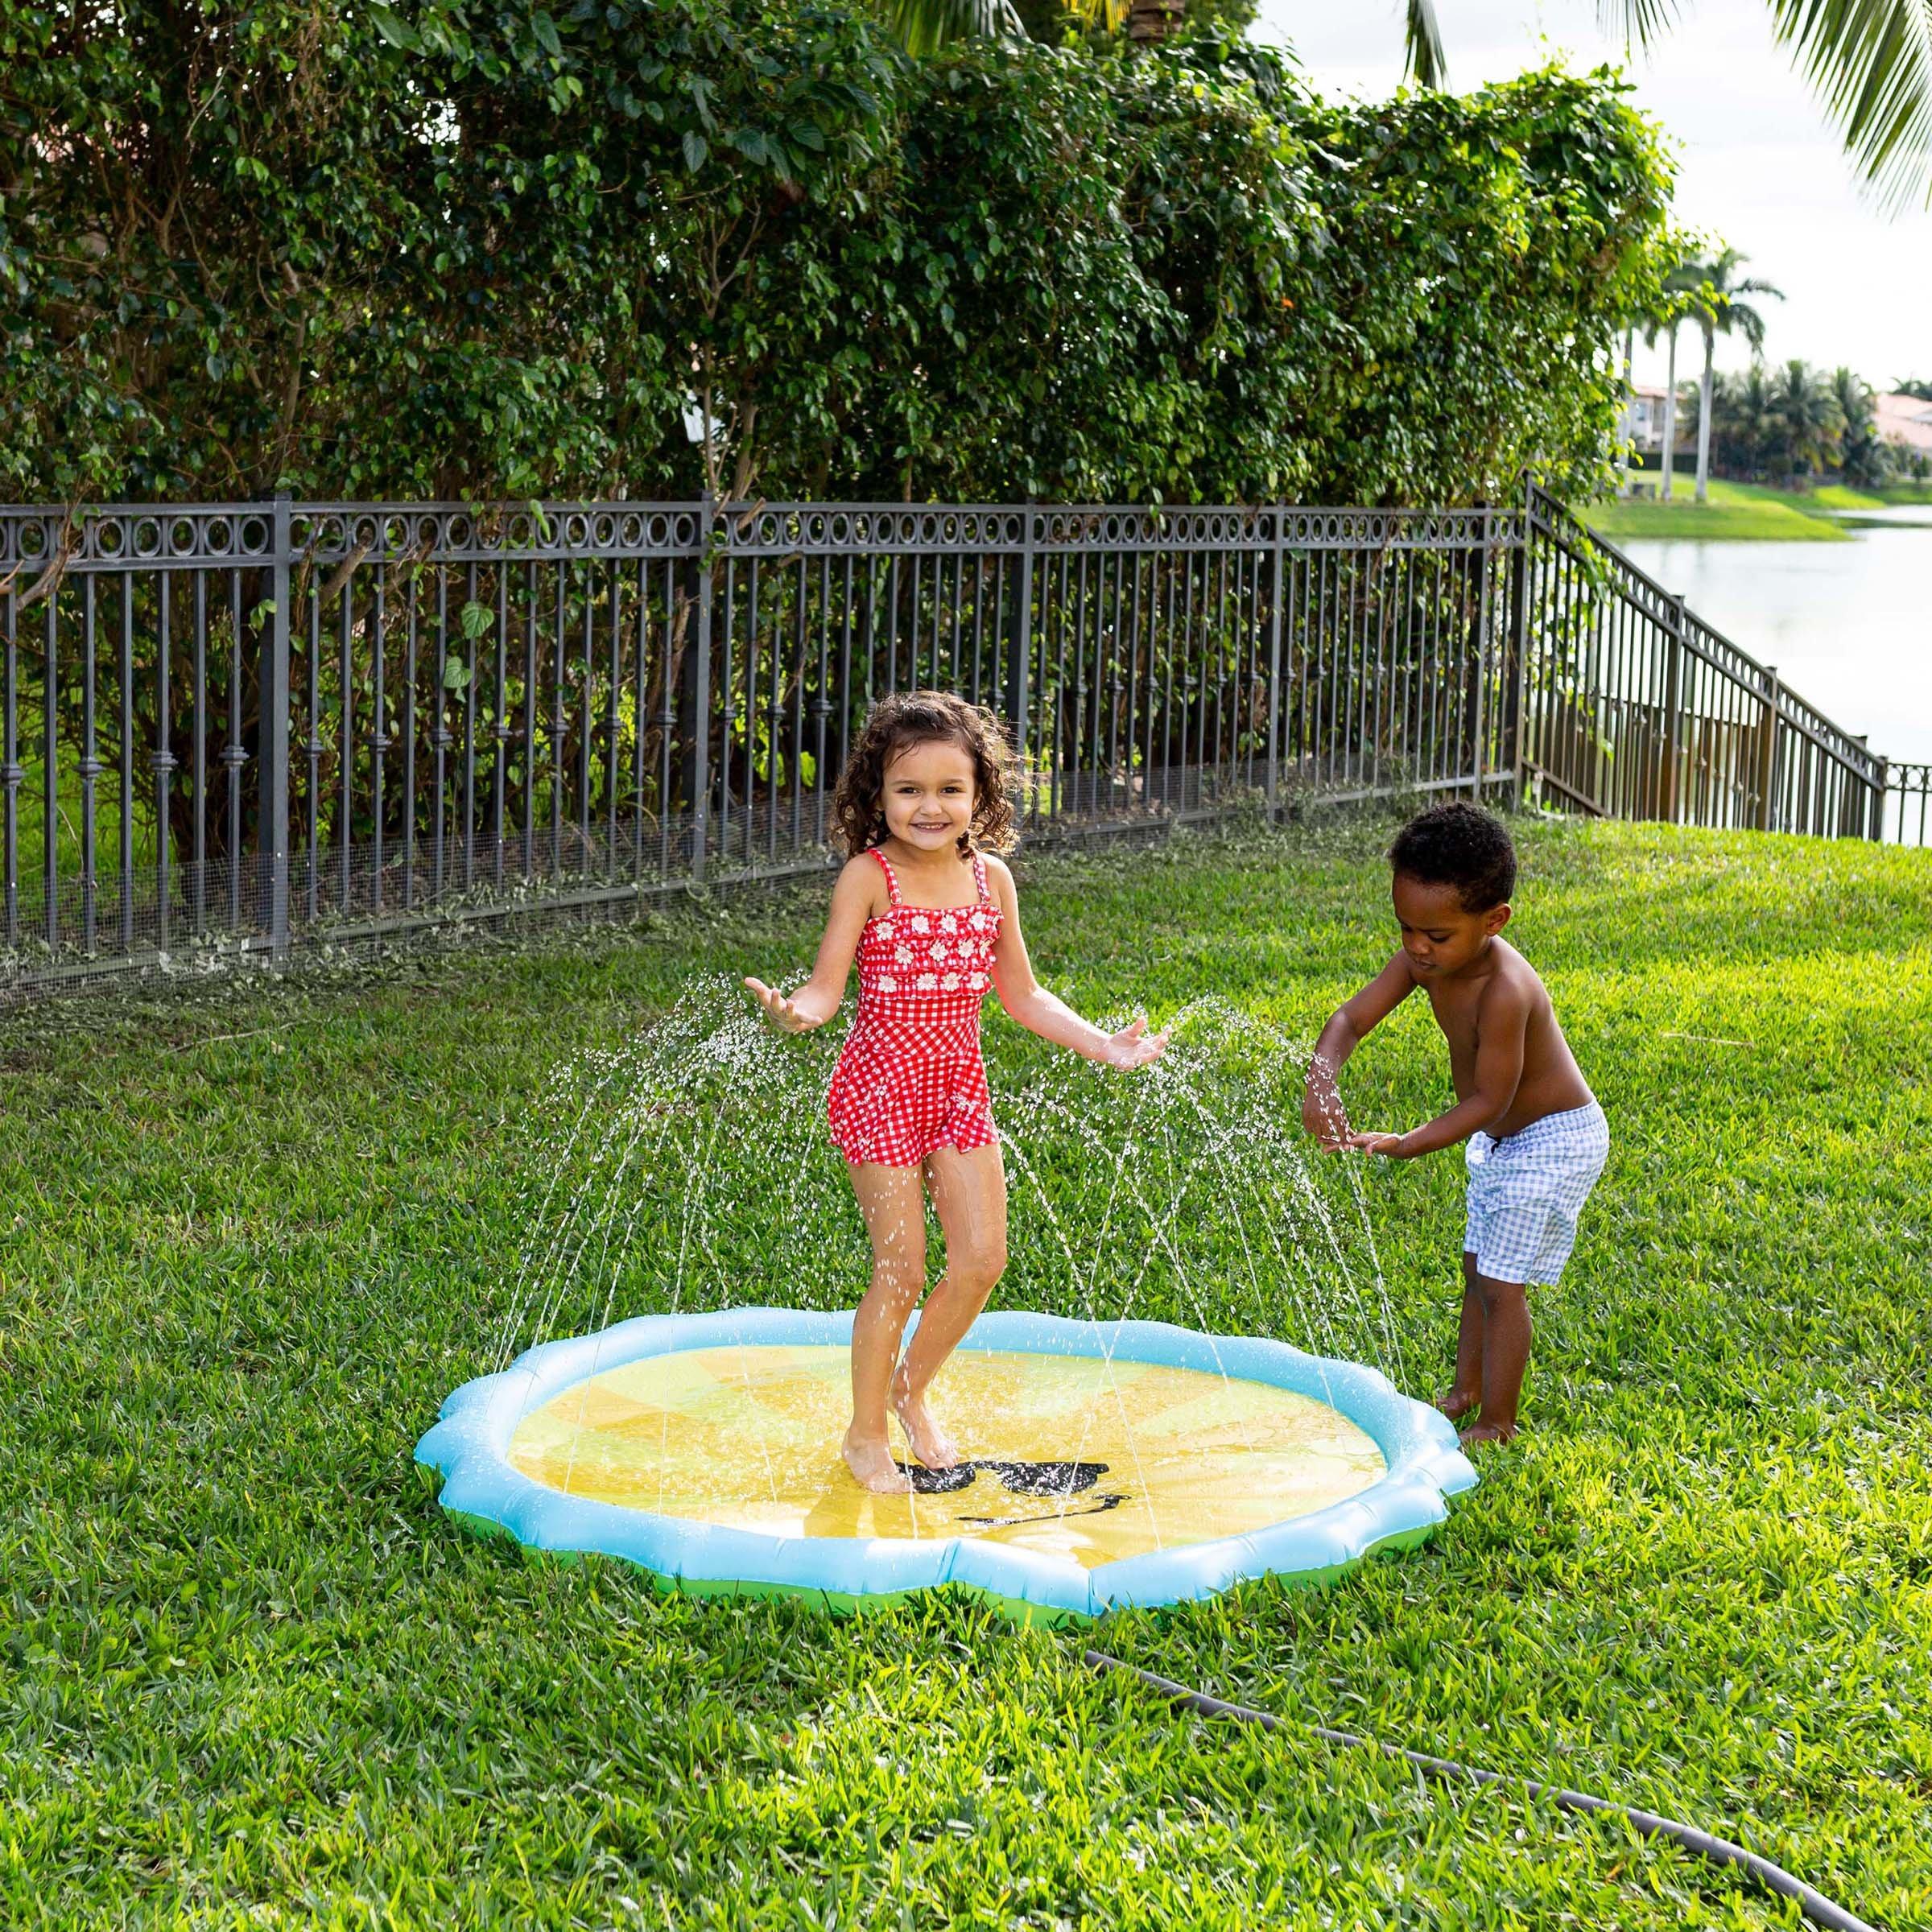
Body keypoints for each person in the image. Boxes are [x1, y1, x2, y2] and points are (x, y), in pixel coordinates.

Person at [745, 691, 1168, 1493]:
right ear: (876, 796)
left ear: (982, 796)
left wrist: (1103, 1043)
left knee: (980, 1260)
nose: (930, 807)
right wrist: (797, 1013)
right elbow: (828, 989)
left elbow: (1024, 995)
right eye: (909, 790)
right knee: (901, 1269)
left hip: (958, 1089)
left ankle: (909, 1388)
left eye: (950, 790)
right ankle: (865, 1432)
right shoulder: (869, 879)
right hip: (879, 1091)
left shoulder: (991, 880)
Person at [1301, 803, 1607, 1446]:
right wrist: (1321, 1080)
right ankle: (1465, 1390)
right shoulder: (1423, 962)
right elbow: (1349, 1021)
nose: (1417, 947)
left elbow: (1490, 1101)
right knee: (1477, 1268)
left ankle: (1497, 1420)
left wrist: (1409, 1143)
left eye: (1437, 936)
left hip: (1554, 1138)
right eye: (1406, 927)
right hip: (1504, 1137)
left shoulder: (1505, 991)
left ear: (1494, 921)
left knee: (1501, 1284)